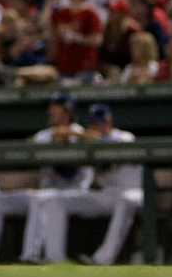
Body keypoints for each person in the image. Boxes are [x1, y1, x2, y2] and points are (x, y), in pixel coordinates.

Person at [0, 93, 93, 264]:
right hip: (45, 192)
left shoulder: (79, 133)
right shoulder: (44, 135)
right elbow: (19, 150)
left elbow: (69, 172)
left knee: (40, 198)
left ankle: (30, 256)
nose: (50, 111)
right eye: (51, 107)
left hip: (74, 192)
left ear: (67, 112)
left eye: (55, 108)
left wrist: (67, 141)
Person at [36, 104, 142, 264]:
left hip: (134, 192)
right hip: (107, 194)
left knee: (124, 201)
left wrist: (80, 134)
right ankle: (54, 258)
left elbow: (109, 144)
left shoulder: (124, 136)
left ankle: (102, 259)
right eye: (94, 123)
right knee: (56, 200)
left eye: (101, 122)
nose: (98, 126)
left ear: (109, 121)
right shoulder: (88, 143)